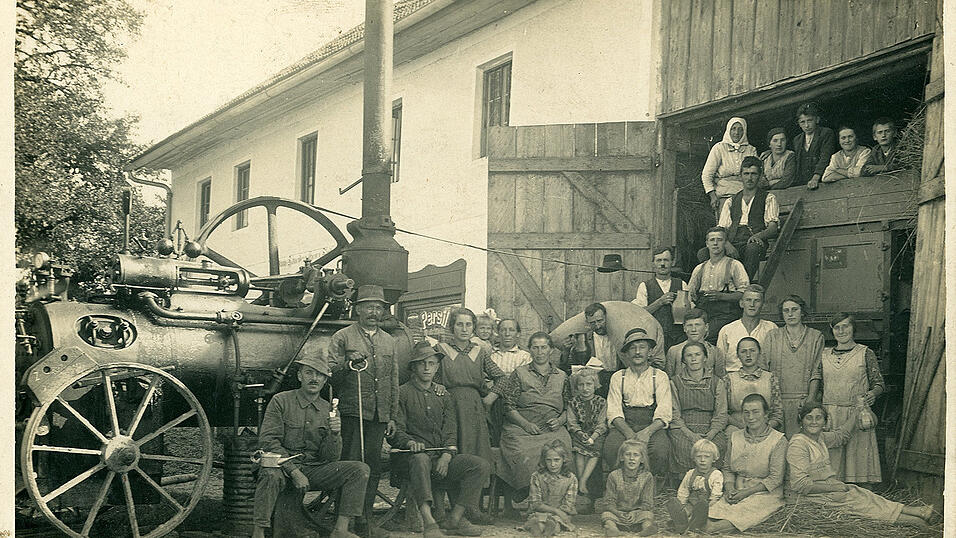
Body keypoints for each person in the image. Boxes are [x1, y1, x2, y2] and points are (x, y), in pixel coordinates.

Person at [253, 355, 369, 538]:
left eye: (320, 375)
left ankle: (340, 530)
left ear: (325, 380)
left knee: (359, 470)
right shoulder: (280, 401)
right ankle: (259, 531)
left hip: (313, 470)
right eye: (309, 373)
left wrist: (334, 435)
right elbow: (269, 442)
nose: (314, 378)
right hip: (282, 468)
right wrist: (294, 472)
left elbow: (330, 458)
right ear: (300, 376)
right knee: (270, 474)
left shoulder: (329, 410)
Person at [392, 342, 489, 538]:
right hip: (410, 460)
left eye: (432, 363)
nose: (427, 368)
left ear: (437, 367)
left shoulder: (443, 394)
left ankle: (455, 518)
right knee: (421, 459)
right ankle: (429, 522)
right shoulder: (402, 393)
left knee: (479, 465)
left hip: (439, 458)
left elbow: (450, 430)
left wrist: (446, 455)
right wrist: (410, 443)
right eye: (422, 364)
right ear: (413, 367)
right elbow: (396, 431)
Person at [787, 403, 934, 526]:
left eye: (818, 418)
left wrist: (857, 411)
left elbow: (841, 436)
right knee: (859, 502)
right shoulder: (798, 445)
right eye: (809, 418)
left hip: (826, 491)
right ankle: (914, 520)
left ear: (825, 422)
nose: (814, 422)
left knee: (862, 494)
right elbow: (801, 485)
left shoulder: (820, 438)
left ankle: (915, 511)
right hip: (808, 497)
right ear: (801, 421)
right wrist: (834, 487)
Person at [328, 284, 399, 538]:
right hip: (352, 412)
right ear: (357, 309)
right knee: (351, 467)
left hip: (379, 415)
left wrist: (391, 416)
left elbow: (393, 379)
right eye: (369, 307)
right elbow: (330, 371)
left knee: (373, 467)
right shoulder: (343, 337)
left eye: (378, 308)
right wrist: (348, 364)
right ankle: (343, 524)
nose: (374, 312)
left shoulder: (389, 341)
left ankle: (365, 522)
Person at [435, 307, 506, 523]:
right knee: (454, 454)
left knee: (476, 455)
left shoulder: (480, 352)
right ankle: (451, 509)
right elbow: (431, 376)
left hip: (474, 410)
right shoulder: (441, 349)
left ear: (473, 328)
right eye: (459, 324)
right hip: (449, 407)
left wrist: (489, 398)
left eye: (468, 325)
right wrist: (438, 387)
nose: (464, 329)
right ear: (452, 327)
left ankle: (472, 508)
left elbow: (502, 378)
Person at [498, 332, 573, 493]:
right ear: (530, 350)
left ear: (551, 350)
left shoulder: (562, 376)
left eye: (544, 347)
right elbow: (508, 406)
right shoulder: (519, 373)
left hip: (552, 428)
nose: (540, 352)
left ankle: (556, 495)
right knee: (522, 453)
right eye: (535, 348)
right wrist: (526, 424)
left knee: (562, 446)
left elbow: (569, 407)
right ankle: (529, 494)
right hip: (522, 428)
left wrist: (560, 421)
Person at [706, 394, 787, 533]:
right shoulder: (735, 436)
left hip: (764, 494)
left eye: (755, 412)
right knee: (714, 511)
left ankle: (707, 528)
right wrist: (729, 488)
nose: (750, 417)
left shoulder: (778, 440)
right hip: (737, 490)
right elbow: (728, 468)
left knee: (738, 516)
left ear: (766, 414)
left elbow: (775, 479)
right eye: (746, 412)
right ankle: (696, 523)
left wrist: (746, 493)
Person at [820, 312, 885, 484]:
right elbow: (819, 386)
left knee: (859, 461)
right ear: (832, 331)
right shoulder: (823, 355)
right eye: (837, 327)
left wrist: (872, 394)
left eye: (845, 326)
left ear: (853, 328)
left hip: (857, 414)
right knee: (834, 462)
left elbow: (879, 383)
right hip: (831, 414)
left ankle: (862, 492)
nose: (841, 331)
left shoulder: (865, 353)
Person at [604, 328, 673, 475]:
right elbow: (613, 411)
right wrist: (629, 433)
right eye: (632, 348)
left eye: (642, 347)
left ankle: (647, 482)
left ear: (650, 352)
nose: (637, 352)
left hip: (651, 424)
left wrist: (647, 433)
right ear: (627, 353)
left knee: (660, 450)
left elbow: (664, 411)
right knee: (612, 448)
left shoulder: (659, 376)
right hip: (625, 423)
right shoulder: (618, 377)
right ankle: (622, 482)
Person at [763, 295, 824, 437]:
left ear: (802, 312)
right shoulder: (773, 336)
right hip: (777, 401)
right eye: (786, 310)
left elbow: (817, 371)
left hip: (803, 400)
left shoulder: (815, 336)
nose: (790, 314)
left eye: (794, 309)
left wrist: (810, 400)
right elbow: (764, 369)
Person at [667, 342, 728, 475]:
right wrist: (690, 435)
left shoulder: (717, 382)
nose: (693, 359)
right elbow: (674, 413)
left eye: (697, 354)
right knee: (684, 446)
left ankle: (711, 480)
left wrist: (711, 433)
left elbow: (721, 413)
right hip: (683, 427)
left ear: (705, 358)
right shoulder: (674, 382)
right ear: (683, 360)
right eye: (689, 355)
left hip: (709, 426)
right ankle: (687, 480)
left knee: (718, 445)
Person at [716, 157, 780, 279]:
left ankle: (744, 284)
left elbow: (773, 228)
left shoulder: (768, 198)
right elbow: (721, 229)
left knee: (752, 248)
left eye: (753, 174)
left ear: (760, 176)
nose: (749, 178)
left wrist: (758, 236)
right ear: (740, 176)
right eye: (746, 174)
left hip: (754, 242)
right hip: (733, 241)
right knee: (703, 253)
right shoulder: (731, 201)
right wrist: (727, 244)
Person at [688, 227, 750, 343]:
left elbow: (745, 293)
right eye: (712, 240)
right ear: (707, 244)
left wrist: (721, 296)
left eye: (719, 240)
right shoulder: (700, 268)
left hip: (726, 312)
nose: (715, 243)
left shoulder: (734, 265)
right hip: (704, 310)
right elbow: (690, 294)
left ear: (725, 243)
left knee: (707, 335)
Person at [633, 247, 689, 350]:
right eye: (659, 260)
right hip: (654, 337)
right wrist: (660, 302)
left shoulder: (682, 284)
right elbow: (640, 314)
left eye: (666, 260)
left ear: (672, 262)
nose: (662, 264)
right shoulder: (645, 286)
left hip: (678, 337)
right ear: (653, 264)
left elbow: (690, 313)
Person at [597, 440, 658, 537]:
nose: (631, 458)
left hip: (638, 513)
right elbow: (609, 501)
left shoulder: (647, 477)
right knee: (606, 515)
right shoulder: (614, 476)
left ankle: (646, 530)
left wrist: (635, 512)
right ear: (621, 457)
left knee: (648, 515)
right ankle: (613, 530)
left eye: (636, 455)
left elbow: (647, 502)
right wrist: (618, 513)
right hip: (618, 514)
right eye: (628, 454)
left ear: (642, 459)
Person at [560, 303, 619, 397]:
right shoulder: (584, 340)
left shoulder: (618, 336)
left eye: (600, 321)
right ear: (588, 323)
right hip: (595, 385)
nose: (597, 326)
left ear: (606, 318)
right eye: (592, 323)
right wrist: (565, 352)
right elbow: (570, 367)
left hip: (617, 381)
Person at [701, 117, 758, 215]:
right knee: (726, 223)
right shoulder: (719, 148)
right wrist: (713, 197)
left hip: (746, 195)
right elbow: (706, 175)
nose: (736, 132)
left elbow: (756, 173)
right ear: (728, 130)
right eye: (733, 129)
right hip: (725, 196)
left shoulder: (751, 150)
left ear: (744, 131)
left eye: (740, 129)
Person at [725, 337, 783, 433]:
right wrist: (741, 427)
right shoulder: (728, 379)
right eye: (743, 351)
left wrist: (764, 429)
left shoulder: (771, 378)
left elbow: (778, 413)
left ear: (759, 353)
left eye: (752, 350)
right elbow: (722, 412)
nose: (748, 355)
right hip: (736, 429)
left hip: (766, 430)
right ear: (737, 355)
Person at [666, 438, 724, 534]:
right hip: (691, 503)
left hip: (707, 505)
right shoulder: (690, 473)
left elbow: (715, 495)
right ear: (693, 458)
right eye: (699, 456)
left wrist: (710, 505)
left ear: (714, 458)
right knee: (679, 507)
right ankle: (682, 523)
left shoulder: (716, 474)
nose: (702, 460)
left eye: (707, 457)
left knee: (702, 509)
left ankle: (693, 524)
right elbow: (684, 490)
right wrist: (682, 504)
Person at [488, 318, 531, 445]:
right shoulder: (490, 354)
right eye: (503, 330)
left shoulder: (525, 356)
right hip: (494, 400)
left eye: (511, 330)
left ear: (518, 334)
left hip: (516, 401)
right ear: (498, 333)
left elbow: (525, 381)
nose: (507, 334)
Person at [716, 284, 777, 373]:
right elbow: (719, 363)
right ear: (741, 303)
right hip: (733, 377)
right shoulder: (727, 330)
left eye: (757, 301)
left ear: (763, 305)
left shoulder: (771, 328)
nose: (752, 304)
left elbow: (776, 361)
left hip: (762, 378)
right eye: (748, 300)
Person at [566, 369, 607, 497]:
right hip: (579, 433)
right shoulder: (573, 402)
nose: (585, 388)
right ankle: (580, 480)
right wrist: (580, 433)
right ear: (576, 386)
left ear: (595, 385)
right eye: (581, 385)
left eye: (589, 384)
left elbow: (602, 423)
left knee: (595, 451)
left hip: (596, 434)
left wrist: (593, 437)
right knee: (579, 452)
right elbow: (572, 422)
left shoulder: (601, 402)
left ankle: (583, 481)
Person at [523, 440, 577, 538]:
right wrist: (555, 511)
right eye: (549, 460)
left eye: (556, 460)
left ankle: (548, 530)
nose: (552, 464)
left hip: (560, 514)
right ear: (544, 460)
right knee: (537, 522)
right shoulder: (537, 476)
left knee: (555, 524)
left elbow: (568, 505)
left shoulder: (571, 478)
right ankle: (538, 531)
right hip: (539, 512)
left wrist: (557, 513)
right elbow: (536, 503)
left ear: (564, 459)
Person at [665, 308, 726, 379]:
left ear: (706, 327)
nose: (693, 329)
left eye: (697, 325)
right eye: (690, 325)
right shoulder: (674, 351)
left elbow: (720, 379)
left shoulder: (715, 352)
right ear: (684, 328)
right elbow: (668, 379)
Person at [792, 102, 837, 190]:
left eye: (809, 120)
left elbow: (825, 157)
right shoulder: (797, 140)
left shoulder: (826, 133)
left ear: (817, 120)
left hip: (822, 182)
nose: (806, 125)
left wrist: (815, 178)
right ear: (799, 124)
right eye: (802, 122)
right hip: (803, 184)